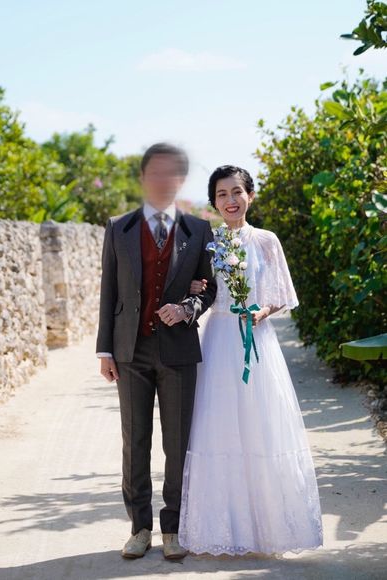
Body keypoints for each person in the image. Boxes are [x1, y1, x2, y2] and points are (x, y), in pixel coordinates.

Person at [179, 165, 323, 555]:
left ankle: (270, 530)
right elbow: (200, 288)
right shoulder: (208, 242)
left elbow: (281, 293)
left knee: (262, 425)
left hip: (257, 338)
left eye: (237, 192)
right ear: (214, 202)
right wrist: (195, 285)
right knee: (220, 426)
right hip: (219, 339)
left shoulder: (266, 240)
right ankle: (225, 531)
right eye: (222, 194)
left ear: (250, 196)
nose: (230, 200)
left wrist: (263, 312)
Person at [96, 143, 217, 560]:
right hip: (130, 351)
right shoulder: (118, 227)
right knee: (135, 442)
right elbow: (108, 291)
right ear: (143, 177)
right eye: (155, 172)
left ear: (180, 180)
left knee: (177, 443)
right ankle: (140, 527)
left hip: (178, 349)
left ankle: (173, 527)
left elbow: (210, 288)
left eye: (171, 173)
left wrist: (186, 308)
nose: (163, 180)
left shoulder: (199, 230)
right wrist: (105, 350)